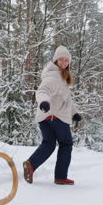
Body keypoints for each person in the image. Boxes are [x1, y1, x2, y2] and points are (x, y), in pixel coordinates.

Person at [23, 46, 81, 185]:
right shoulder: (54, 76)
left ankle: (30, 165)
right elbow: (42, 90)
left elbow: (66, 99)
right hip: (56, 116)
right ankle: (61, 177)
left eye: (67, 60)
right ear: (56, 60)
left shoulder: (59, 76)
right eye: (61, 59)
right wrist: (44, 101)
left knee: (49, 144)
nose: (64, 62)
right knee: (66, 144)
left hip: (45, 117)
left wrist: (74, 113)